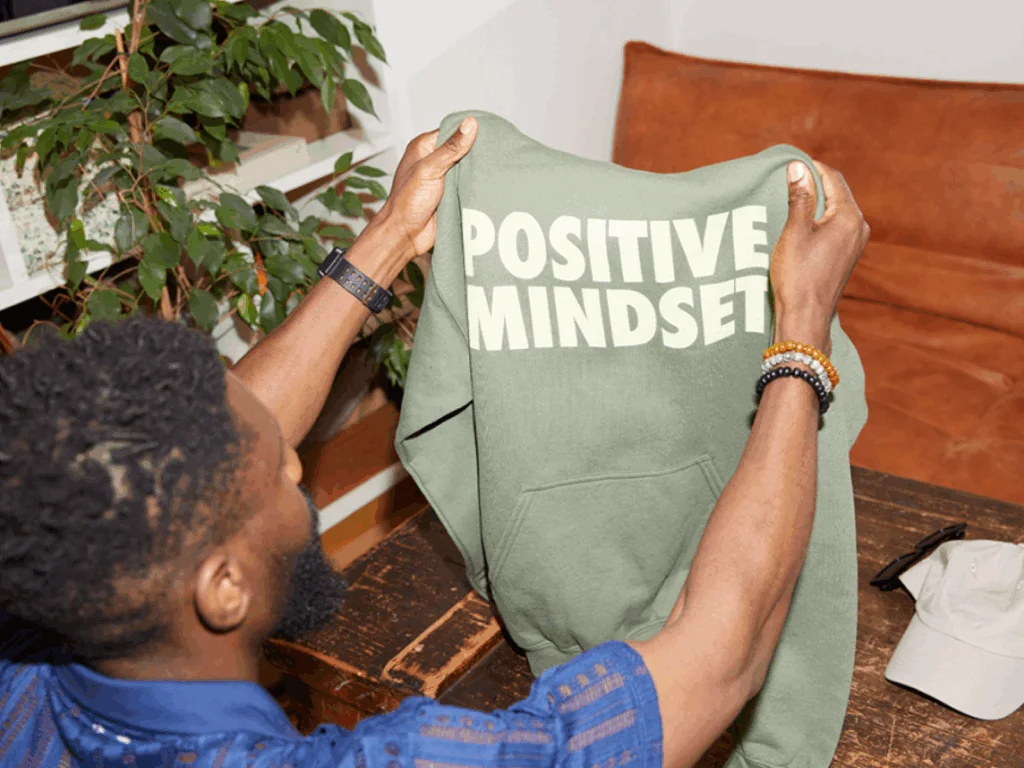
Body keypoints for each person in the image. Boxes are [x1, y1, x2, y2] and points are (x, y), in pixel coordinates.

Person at [0, 115, 869, 768]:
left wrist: (387, 241)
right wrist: (802, 331)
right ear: (222, 587)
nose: (298, 461)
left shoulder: (30, 660)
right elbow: (721, 652)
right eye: (280, 473)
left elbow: (228, 429)